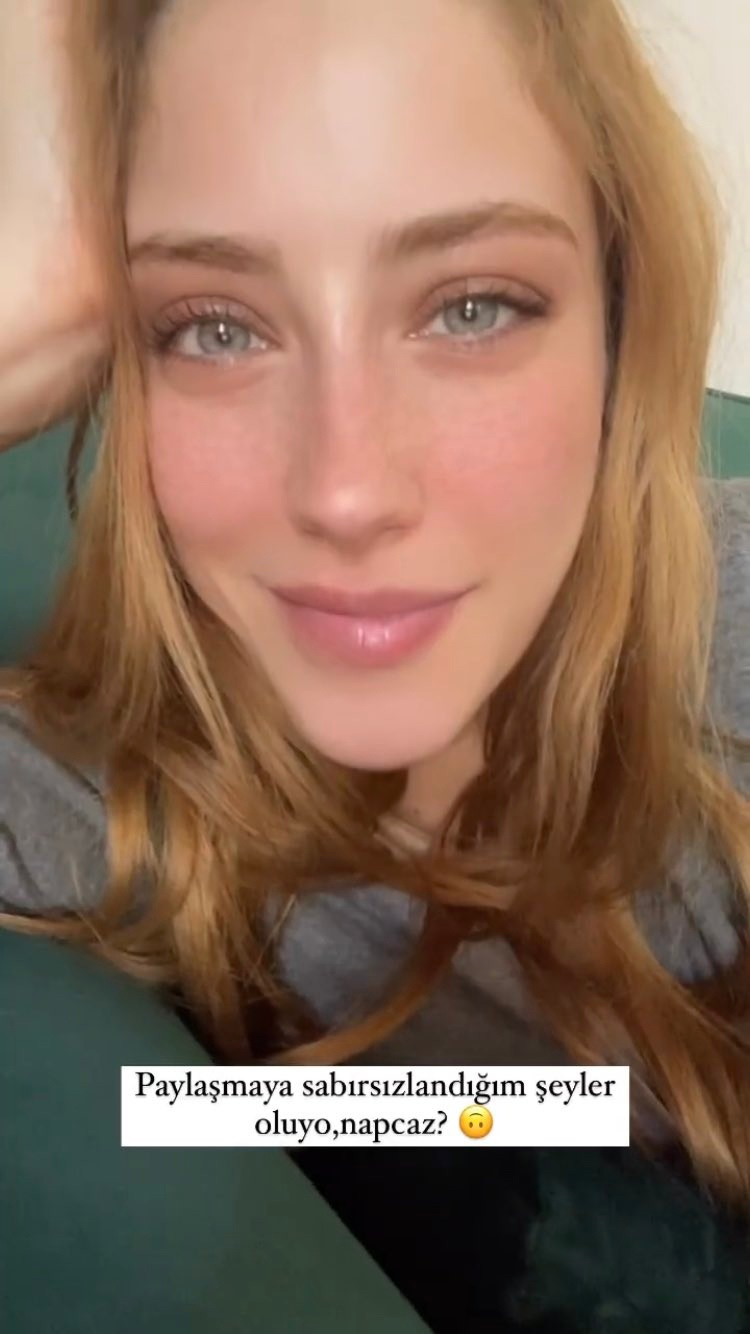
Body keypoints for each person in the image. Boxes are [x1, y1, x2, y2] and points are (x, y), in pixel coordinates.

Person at [0, 0, 748, 1271]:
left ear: (622, 325)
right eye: (215, 325)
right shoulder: (90, 794)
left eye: (473, 307)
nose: (346, 490)